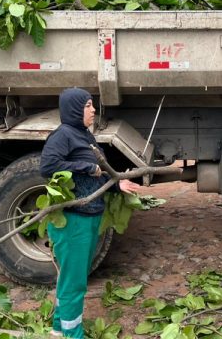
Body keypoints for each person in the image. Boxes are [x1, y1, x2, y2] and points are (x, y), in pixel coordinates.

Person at [40, 88, 140, 339]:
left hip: (89, 217)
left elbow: (102, 170)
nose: (93, 110)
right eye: (87, 105)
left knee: (72, 279)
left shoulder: (84, 135)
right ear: (73, 109)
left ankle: (59, 331)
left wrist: (117, 184)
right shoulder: (62, 136)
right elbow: (48, 166)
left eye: (92, 105)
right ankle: (74, 335)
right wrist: (85, 166)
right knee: (74, 284)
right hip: (73, 221)